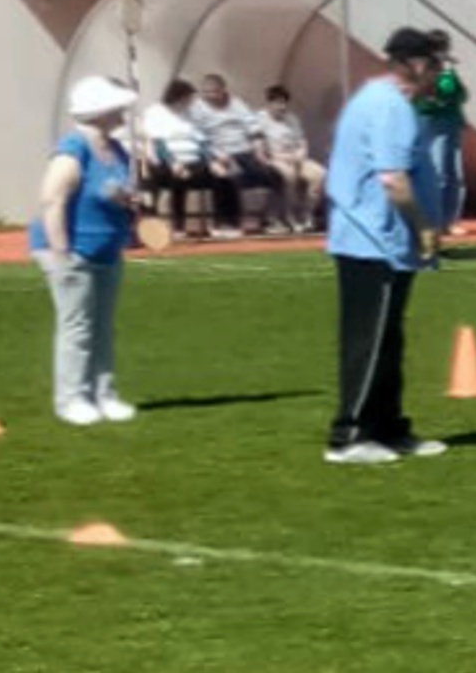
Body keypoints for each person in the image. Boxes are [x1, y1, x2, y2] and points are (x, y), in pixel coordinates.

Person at [326, 29, 449, 466]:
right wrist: (423, 229)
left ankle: (389, 426)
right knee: (369, 340)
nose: (440, 73)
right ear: (415, 65)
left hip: (382, 241)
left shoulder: (380, 100)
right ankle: (349, 434)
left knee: (389, 339)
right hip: (371, 240)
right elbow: (393, 178)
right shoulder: (391, 107)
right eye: (435, 64)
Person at [31, 77, 143, 426]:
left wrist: (128, 202)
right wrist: (62, 253)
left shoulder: (117, 150)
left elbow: (116, 192)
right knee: (77, 327)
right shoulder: (73, 148)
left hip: (107, 250)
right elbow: (52, 199)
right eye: (117, 106)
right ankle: (71, 399)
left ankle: (104, 394)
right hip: (72, 251)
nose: (123, 111)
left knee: (103, 327)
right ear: (99, 111)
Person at [192, 72, 283, 232]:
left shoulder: (237, 104)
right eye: (207, 92)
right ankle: (227, 222)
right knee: (227, 176)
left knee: (274, 175)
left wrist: (260, 151)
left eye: (214, 92)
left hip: (243, 150)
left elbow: (254, 129)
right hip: (218, 153)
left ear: (223, 90)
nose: (211, 96)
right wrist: (214, 157)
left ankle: (270, 219)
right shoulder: (198, 108)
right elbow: (198, 138)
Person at [137, 77, 226, 239]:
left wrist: (212, 161)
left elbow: (201, 141)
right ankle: (178, 226)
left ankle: (219, 224)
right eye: (188, 99)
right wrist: (173, 163)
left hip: (192, 159)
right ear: (177, 97)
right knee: (178, 178)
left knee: (220, 177)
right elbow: (158, 142)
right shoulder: (155, 112)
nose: (190, 102)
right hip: (166, 161)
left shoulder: (190, 113)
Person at [411, 46, 468, 240]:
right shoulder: (421, 76)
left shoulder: (448, 77)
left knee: (451, 174)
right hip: (430, 123)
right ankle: (433, 220)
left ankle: (448, 220)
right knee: (437, 172)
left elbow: (460, 95)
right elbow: (422, 100)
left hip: (448, 124)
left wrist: (449, 75)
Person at [256, 85, 325, 231]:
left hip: (296, 158)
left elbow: (302, 141)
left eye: (284, 103)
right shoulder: (260, 120)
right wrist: (281, 158)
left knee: (319, 173)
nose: (281, 107)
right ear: (269, 103)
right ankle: (289, 217)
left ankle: (307, 215)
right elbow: (261, 151)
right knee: (289, 175)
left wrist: (301, 153)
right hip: (275, 159)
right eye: (277, 103)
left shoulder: (292, 118)